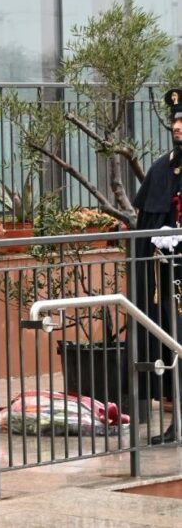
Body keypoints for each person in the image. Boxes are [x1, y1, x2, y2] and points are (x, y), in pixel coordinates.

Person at [132, 88, 182, 445]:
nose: (177, 128)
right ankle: (176, 421)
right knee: (171, 341)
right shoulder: (161, 168)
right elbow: (144, 224)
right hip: (168, 282)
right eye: (175, 121)